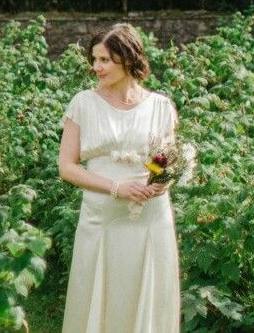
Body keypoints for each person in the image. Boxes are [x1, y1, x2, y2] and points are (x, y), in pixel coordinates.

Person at [58, 24, 180, 332]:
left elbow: (163, 157)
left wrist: (157, 181)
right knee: (99, 292)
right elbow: (67, 167)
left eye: (105, 60)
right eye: (94, 59)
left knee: (147, 289)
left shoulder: (160, 107)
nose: (95, 67)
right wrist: (116, 188)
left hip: (149, 216)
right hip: (102, 215)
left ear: (127, 59)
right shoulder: (83, 103)